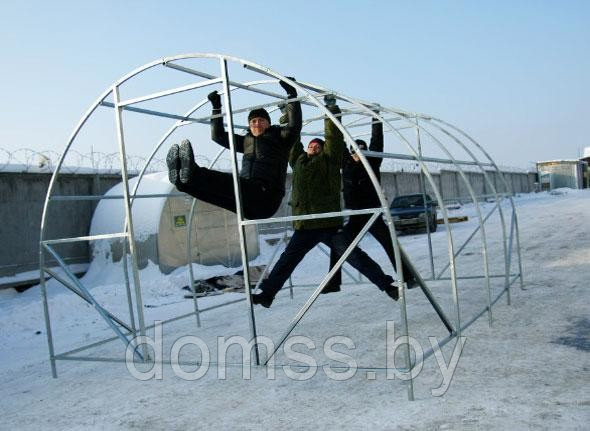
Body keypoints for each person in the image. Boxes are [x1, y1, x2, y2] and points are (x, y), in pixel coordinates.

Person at [251, 97, 398, 308]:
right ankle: (267, 295)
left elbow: (333, 137)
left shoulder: (330, 161)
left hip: (329, 224)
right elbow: (292, 141)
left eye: (316, 145)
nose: (312, 147)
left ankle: (387, 286)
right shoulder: (298, 162)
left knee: (354, 256)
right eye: (310, 145)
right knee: (286, 262)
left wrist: (331, 108)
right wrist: (286, 115)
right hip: (305, 226)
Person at [166, 79, 302, 220]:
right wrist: (216, 108)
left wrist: (291, 93)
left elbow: (294, 125)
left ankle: (193, 172)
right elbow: (218, 136)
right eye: (253, 121)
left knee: (228, 184)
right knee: (216, 196)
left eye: (261, 120)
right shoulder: (246, 142)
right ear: (249, 125)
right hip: (248, 205)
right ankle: (183, 183)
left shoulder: (280, 138)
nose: (257, 123)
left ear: (268, 123)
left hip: (267, 197)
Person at [332, 108, 418, 290]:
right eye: (355, 150)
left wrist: (375, 118)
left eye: (362, 150)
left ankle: (407, 277)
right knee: (338, 242)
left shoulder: (372, 162)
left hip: (373, 213)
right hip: (356, 215)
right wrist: (335, 116)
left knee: (390, 244)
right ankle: (333, 282)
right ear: (350, 152)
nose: (358, 153)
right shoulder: (345, 163)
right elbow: (337, 141)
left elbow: (377, 140)